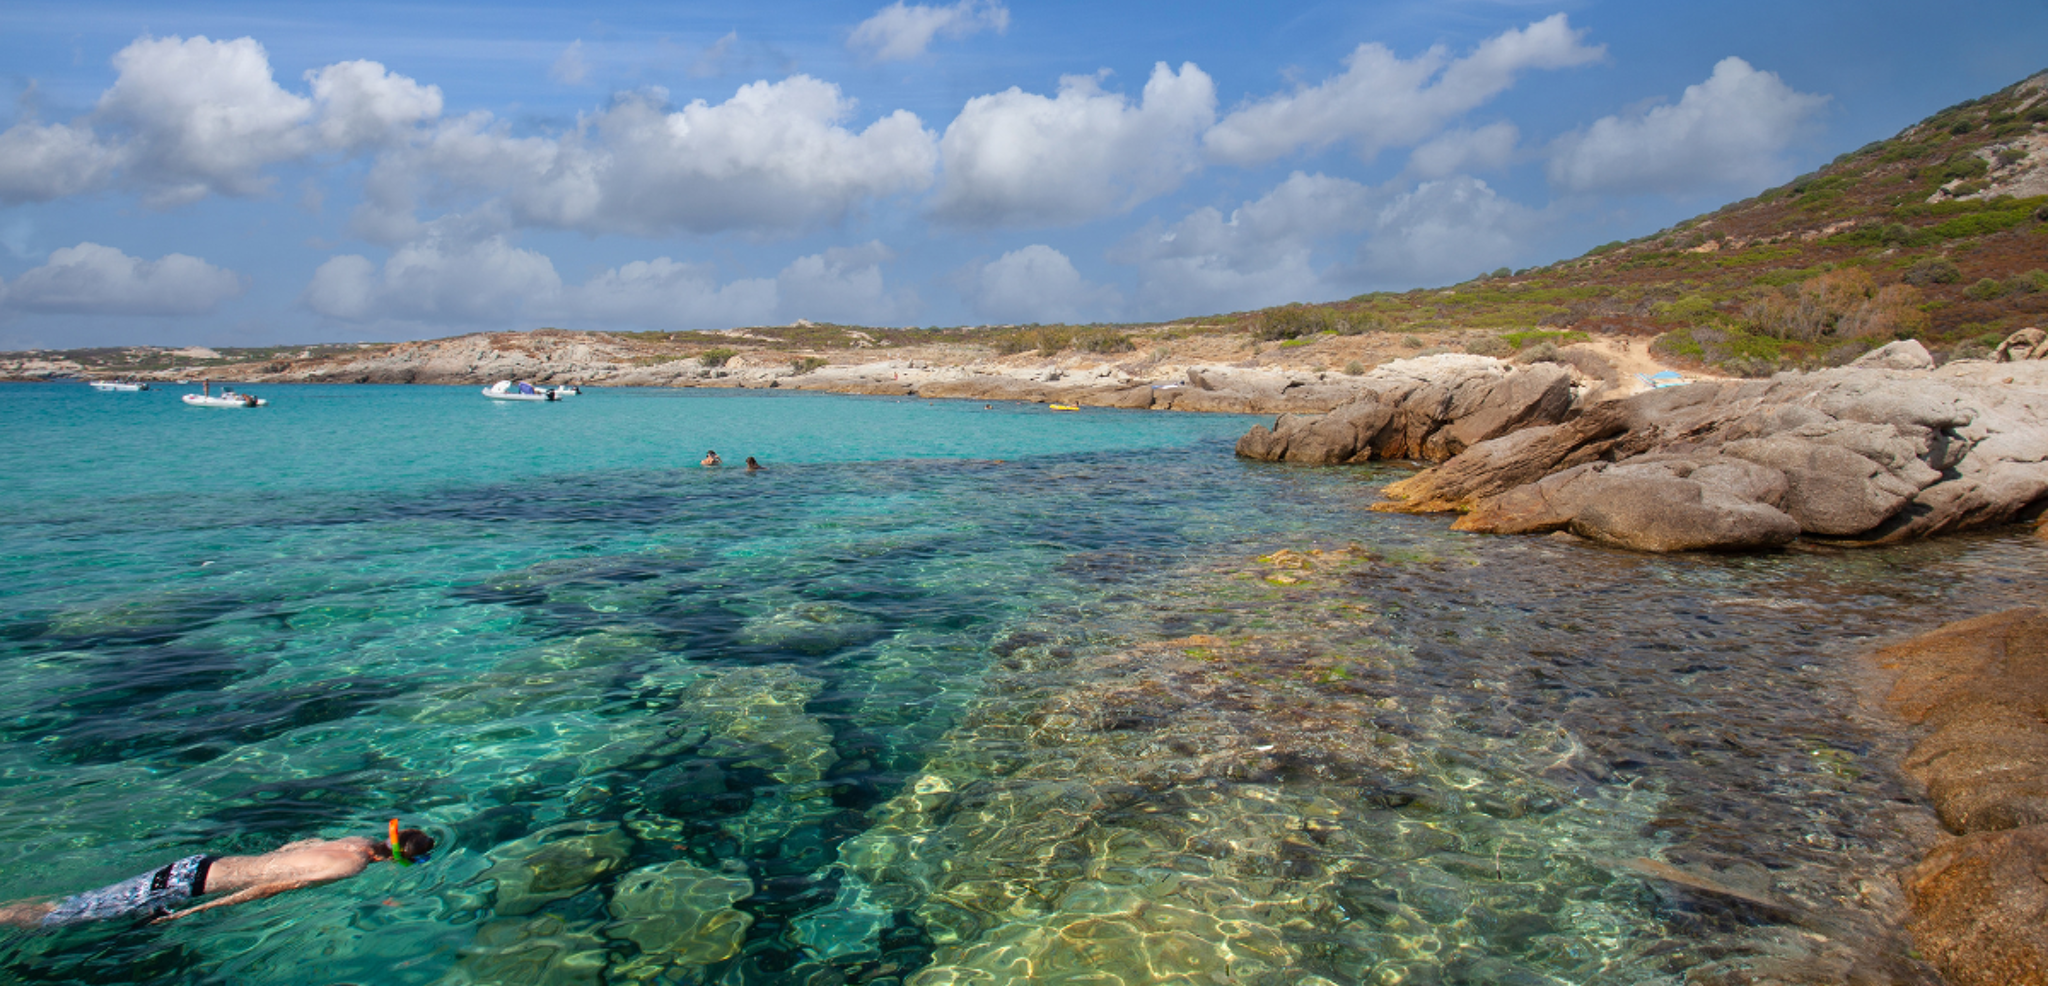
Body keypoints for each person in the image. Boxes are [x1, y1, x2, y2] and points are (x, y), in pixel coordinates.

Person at [0, 823, 434, 928]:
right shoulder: (351, 865)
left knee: (80, 902)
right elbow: (268, 888)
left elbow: (285, 854)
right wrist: (193, 913)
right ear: (399, 859)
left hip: (197, 864)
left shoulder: (354, 841)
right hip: (188, 887)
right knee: (60, 915)